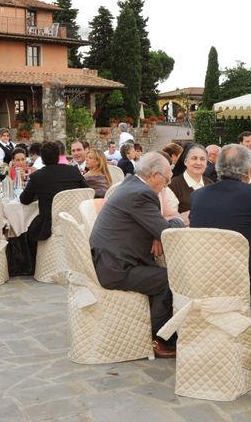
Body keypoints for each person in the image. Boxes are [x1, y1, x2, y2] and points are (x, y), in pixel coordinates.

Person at [89, 152, 185, 358]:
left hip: (110, 260)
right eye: (166, 180)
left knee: (165, 274)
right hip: (116, 268)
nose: (166, 185)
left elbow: (157, 229)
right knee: (170, 279)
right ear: (154, 175)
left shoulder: (130, 184)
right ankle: (159, 340)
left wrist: (157, 231)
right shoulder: (141, 193)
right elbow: (167, 233)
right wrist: (178, 221)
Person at [189, 144, 251, 318]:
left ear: (218, 168)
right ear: (248, 171)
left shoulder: (197, 196)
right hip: (244, 283)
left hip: (201, 279)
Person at [20, 141, 88, 242]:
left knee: (27, 232)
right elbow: (86, 191)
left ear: (42, 159)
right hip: (74, 220)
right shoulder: (73, 171)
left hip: (49, 226)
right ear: (58, 156)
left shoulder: (37, 176)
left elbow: (24, 200)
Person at [168, 143, 213, 214]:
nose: (198, 163)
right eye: (194, 158)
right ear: (185, 161)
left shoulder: (210, 183)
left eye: (202, 159)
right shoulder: (173, 185)